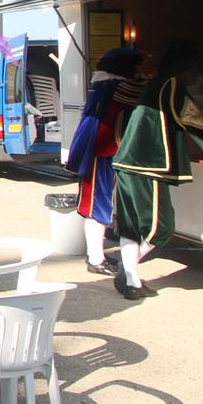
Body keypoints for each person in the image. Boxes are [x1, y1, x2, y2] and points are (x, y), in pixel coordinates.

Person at [112, 45, 203, 300]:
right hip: (148, 165)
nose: (198, 77)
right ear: (184, 70)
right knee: (160, 228)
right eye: (195, 71)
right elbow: (197, 123)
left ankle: (132, 281)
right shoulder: (172, 86)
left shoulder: (154, 84)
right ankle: (127, 272)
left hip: (126, 162)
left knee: (130, 227)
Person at [64, 46, 146, 276]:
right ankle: (96, 259)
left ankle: (96, 255)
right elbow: (146, 92)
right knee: (96, 204)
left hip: (99, 148)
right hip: (100, 150)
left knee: (96, 202)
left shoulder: (104, 83)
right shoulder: (115, 86)